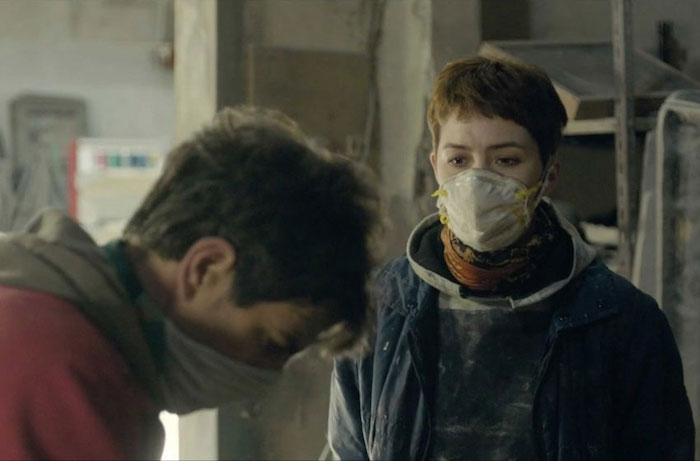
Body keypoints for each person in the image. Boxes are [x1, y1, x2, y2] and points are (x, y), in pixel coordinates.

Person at [328, 56, 694, 460]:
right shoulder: (382, 308)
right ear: (435, 166)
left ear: (548, 175)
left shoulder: (623, 321)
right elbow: (349, 449)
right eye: (458, 160)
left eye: (506, 160)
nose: (478, 181)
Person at [0, 106, 380, 459]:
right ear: (205, 269)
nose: (267, 374)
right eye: (271, 343)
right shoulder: (64, 376)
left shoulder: (46, 317)